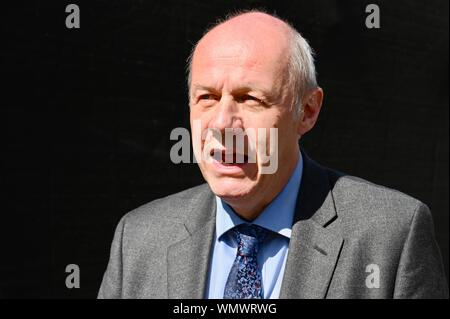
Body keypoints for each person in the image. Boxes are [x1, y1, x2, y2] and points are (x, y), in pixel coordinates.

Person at [98, 10, 448, 299]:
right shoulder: (140, 239)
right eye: (206, 98)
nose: (222, 123)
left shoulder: (391, 236)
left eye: (250, 99)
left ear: (307, 111)